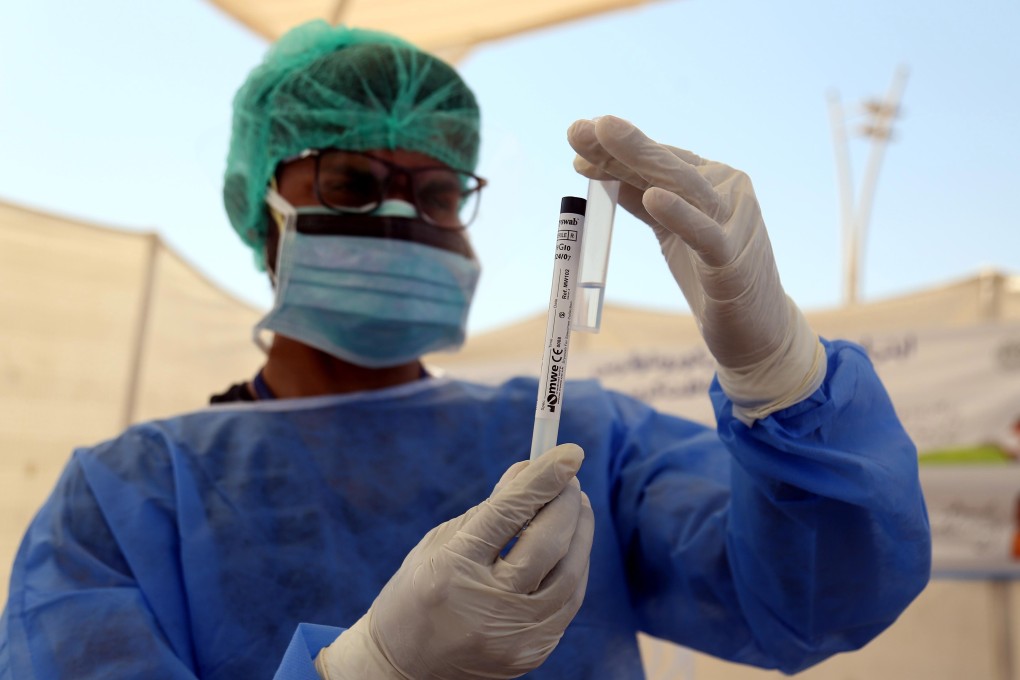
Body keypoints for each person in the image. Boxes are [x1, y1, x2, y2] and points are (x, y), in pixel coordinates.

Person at [0, 20, 931, 680]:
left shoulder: (582, 445)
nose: (407, 215)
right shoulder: (124, 506)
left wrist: (778, 374)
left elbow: (820, 605)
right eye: (354, 180)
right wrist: (369, 672)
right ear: (264, 212)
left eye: (440, 192)